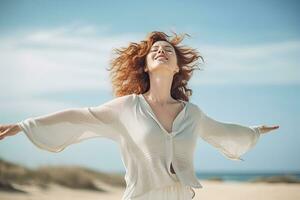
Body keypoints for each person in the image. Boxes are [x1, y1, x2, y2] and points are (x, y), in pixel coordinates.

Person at [0, 31, 279, 200]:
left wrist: (254, 131)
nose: (161, 51)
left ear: (177, 67)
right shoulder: (126, 107)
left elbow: (223, 131)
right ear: (145, 67)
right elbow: (79, 116)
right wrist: (24, 126)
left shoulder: (192, 114)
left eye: (168, 50)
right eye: (155, 50)